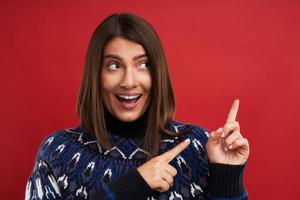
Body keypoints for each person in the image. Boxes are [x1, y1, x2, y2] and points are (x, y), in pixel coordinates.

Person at [25, 13, 250, 200]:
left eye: (143, 64)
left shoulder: (196, 146)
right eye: (114, 65)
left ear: (157, 73)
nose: (129, 81)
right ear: (96, 75)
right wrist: (132, 185)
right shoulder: (58, 151)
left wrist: (227, 176)